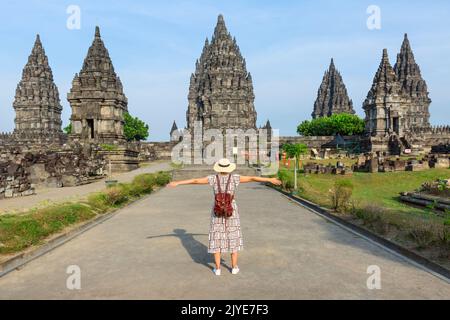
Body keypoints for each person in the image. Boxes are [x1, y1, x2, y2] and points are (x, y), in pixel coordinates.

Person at [168, 158, 282, 276]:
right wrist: (270, 179)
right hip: (231, 210)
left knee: (217, 238)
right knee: (233, 236)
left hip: (217, 211)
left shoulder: (212, 178)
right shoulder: (235, 178)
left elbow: (196, 180)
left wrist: (178, 182)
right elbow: (253, 178)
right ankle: (234, 267)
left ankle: (217, 269)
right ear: (229, 168)